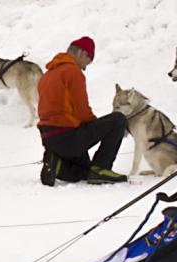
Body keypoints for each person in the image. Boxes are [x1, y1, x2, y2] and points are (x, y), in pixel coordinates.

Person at [37, 36, 128, 186]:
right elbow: (82, 111)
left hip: (49, 138)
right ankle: (101, 169)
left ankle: (56, 163)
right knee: (118, 119)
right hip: (67, 135)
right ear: (81, 53)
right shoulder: (72, 72)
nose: (85, 67)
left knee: (83, 171)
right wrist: (100, 128)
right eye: (87, 61)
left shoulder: (47, 75)